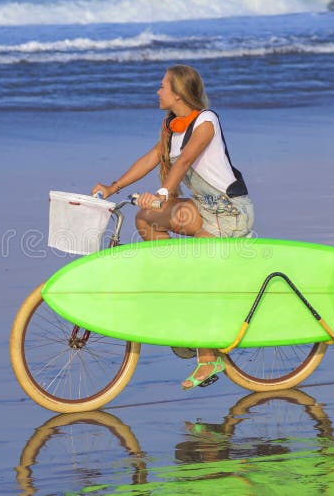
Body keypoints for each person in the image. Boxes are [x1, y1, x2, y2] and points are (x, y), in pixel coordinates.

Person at [92, 64, 255, 390]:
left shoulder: (206, 121)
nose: (158, 91)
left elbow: (183, 162)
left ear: (179, 92)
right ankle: (181, 289)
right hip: (204, 211)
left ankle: (209, 358)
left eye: (163, 86)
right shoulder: (172, 126)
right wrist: (113, 187)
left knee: (193, 273)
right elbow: (152, 158)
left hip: (229, 214)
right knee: (145, 219)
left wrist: (163, 193)